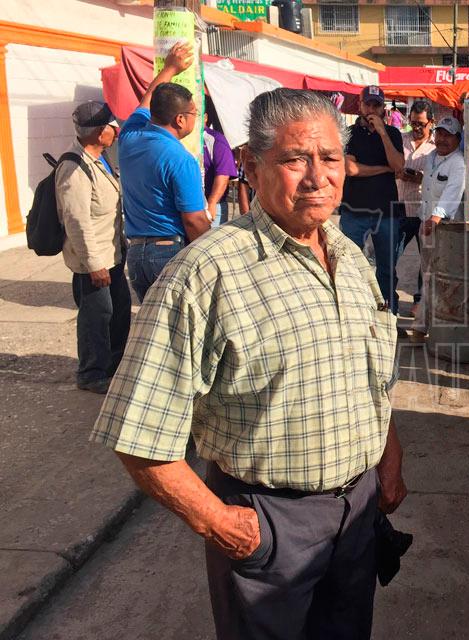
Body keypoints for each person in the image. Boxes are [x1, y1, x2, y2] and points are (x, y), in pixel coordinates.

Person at [90, 88, 407, 640]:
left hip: (357, 513)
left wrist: (390, 459)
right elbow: (138, 435)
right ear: (253, 168)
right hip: (268, 523)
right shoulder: (205, 273)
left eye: (330, 158)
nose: (317, 177)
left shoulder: (349, 255)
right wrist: (219, 522)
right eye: (295, 159)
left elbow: (367, 375)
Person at [119, 41, 209, 303]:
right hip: (169, 252)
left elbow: (147, 100)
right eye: (194, 113)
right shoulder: (181, 160)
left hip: (136, 255)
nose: (196, 118)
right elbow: (194, 220)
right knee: (177, 322)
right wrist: (212, 255)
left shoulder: (129, 136)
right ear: (180, 119)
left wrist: (170, 68)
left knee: (151, 320)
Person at [55, 101, 131, 394]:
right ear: (100, 132)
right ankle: (91, 372)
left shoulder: (100, 159)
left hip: (112, 253)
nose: (116, 131)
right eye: (112, 127)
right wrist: (94, 265)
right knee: (96, 317)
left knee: (119, 311)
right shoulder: (74, 167)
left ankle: (113, 367)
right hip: (93, 260)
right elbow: (77, 221)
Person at [340, 84, 405, 315]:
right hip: (353, 210)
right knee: (350, 265)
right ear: (360, 105)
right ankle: (355, 312)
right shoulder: (349, 133)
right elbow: (351, 169)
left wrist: (383, 133)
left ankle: (388, 315)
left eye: (376, 105)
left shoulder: (393, 134)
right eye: (367, 104)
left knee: (386, 268)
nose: (371, 109)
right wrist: (384, 169)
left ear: (382, 109)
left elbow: (398, 165)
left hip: (386, 212)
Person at [409, 117, 466, 343]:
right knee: (429, 276)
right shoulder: (432, 156)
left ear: (457, 139)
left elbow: (453, 192)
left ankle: (423, 327)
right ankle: (425, 326)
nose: (442, 139)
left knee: (439, 278)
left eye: (448, 135)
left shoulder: (458, 163)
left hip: (446, 228)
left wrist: (435, 218)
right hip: (427, 224)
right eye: (440, 134)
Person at [396, 100, 437, 317]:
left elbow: (436, 177)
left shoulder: (437, 146)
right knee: (392, 256)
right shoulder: (400, 140)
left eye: (421, 123)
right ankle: (389, 298)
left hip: (424, 210)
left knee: (426, 261)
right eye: (413, 123)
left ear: (431, 122)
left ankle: (420, 303)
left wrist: (416, 176)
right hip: (400, 208)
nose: (417, 128)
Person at [203, 100, 238, 226]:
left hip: (212, 206)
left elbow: (223, 174)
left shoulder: (216, 140)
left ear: (205, 117)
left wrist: (212, 202)